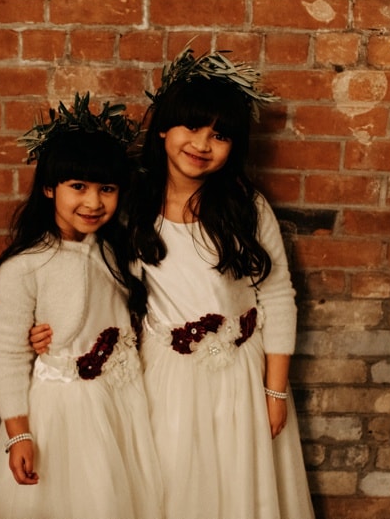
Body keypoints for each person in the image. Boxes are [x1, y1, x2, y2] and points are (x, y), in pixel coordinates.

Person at [128, 51, 314, 518]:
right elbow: (104, 286)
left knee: (239, 488)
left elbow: (277, 295)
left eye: (220, 135)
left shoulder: (245, 207)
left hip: (241, 376)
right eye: (192, 128)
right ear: (163, 130)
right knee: (174, 487)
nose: (202, 144)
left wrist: (274, 392)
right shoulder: (133, 208)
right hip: (164, 377)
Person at [0, 102, 161, 519]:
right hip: (61, 414)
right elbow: (8, 356)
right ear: (49, 188)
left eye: (107, 189)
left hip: (122, 404)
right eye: (78, 187)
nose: (94, 202)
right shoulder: (24, 266)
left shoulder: (120, 253)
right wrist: (18, 434)